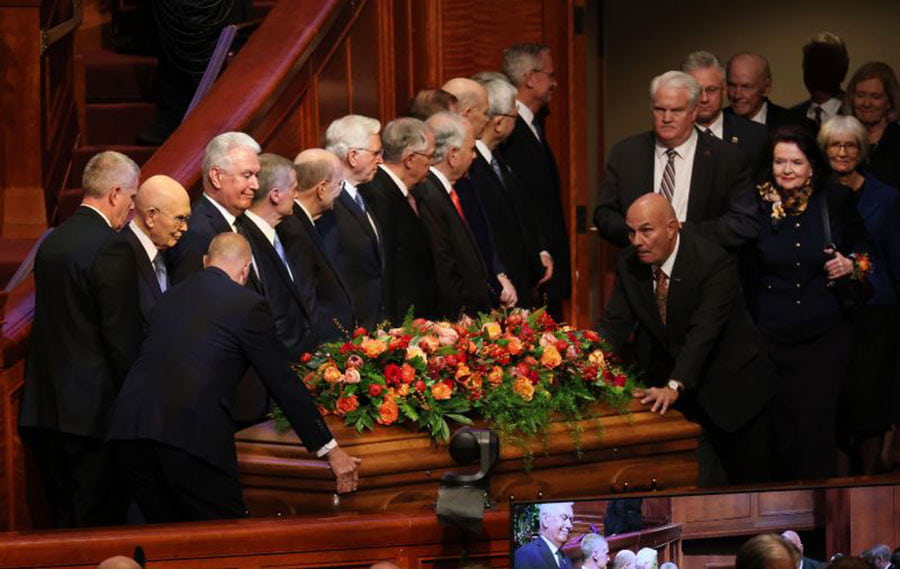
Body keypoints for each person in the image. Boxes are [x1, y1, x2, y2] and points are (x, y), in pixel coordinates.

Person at [108, 233, 360, 522]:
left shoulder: (168, 299)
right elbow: (282, 382)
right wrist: (330, 449)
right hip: (190, 439)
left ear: (206, 262)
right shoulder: (247, 305)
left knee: (167, 536)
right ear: (245, 269)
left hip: (128, 431)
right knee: (228, 534)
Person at [598, 194, 776, 485]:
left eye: (646, 231)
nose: (637, 241)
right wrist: (584, 360)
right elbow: (614, 324)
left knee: (748, 490)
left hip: (734, 393)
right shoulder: (629, 263)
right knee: (694, 485)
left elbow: (704, 333)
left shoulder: (713, 261)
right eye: (631, 232)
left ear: (671, 228)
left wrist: (674, 385)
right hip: (682, 401)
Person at [19, 150, 142, 528]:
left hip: (45, 409)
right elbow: (120, 338)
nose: (133, 207)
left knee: (62, 523)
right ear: (115, 193)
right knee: (95, 526)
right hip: (91, 417)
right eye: (132, 197)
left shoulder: (53, 241)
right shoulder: (111, 246)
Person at [747, 126, 869, 480]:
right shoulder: (755, 203)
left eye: (796, 162)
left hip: (824, 338)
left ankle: (817, 509)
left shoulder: (835, 199)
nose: (786, 170)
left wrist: (850, 264)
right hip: (771, 340)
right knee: (779, 435)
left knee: (817, 433)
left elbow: (866, 253)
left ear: (812, 165)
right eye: (779, 162)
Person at [595, 70, 759, 251]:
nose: (666, 118)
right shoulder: (626, 153)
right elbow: (604, 214)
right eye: (660, 110)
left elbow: (744, 222)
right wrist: (640, 235)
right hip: (638, 263)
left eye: (676, 110)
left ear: (694, 112)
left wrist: (680, 234)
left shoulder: (727, 158)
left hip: (703, 262)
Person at [818, 115, 900, 475]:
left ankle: (869, 487)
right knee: (837, 406)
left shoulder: (887, 197)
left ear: (862, 150)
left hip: (875, 314)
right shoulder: (814, 194)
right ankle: (840, 492)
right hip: (831, 313)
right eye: (835, 145)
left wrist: (856, 269)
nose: (842, 152)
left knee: (869, 407)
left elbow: (893, 259)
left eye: (850, 145)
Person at [499, 42, 570, 320]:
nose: (554, 83)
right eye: (550, 75)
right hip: (532, 268)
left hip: (546, 264)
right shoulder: (509, 131)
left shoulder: (533, 124)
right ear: (530, 78)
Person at [470, 72, 549, 307]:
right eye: (514, 117)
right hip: (498, 288)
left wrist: (539, 252)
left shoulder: (500, 159)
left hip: (519, 280)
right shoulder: (471, 167)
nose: (516, 125)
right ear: (498, 123)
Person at [414, 112, 497, 318]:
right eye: (471, 149)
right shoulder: (428, 194)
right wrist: (461, 313)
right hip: (456, 316)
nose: (474, 156)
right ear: (453, 155)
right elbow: (443, 261)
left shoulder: (441, 190)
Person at [358, 117, 440, 323]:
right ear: (410, 159)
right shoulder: (379, 194)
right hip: (402, 322)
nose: (432, 163)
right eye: (430, 156)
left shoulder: (400, 192)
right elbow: (388, 267)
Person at [237, 153, 316, 359]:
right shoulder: (245, 238)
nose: (296, 196)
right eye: (294, 188)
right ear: (275, 195)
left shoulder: (282, 233)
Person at [277, 149, 355, 342]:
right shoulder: (293, 228)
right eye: (339, 184)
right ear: (321, 188)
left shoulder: (305, 221)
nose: (340, 192)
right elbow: (305, 296)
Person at [318, 115, 386, 330]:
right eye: (376, 153)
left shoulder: (361, 194)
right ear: (353, 156)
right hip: (349, 328)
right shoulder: (329, 202)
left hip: (372, 325)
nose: (380, 160)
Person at [165, 131, 261, 284]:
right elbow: (192, 293)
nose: (256, 185)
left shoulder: (244, 222)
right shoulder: (194, 231)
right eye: (247, 175)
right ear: (216, 177)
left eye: (257, 176)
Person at [681, 50, 767, 179]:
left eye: (711, 90)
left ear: (724, 89)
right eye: (696, 91)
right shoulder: (673, 136)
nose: (704, 99)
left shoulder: (755, 136)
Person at [122, 174, 191, 327]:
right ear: (151, 217)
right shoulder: (120, 256)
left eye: (186, 219)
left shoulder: (165, 251)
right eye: (179, 219)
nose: (184, 228)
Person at [725, 53, 816, 133]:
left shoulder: (796, 126)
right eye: (732, 85)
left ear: (766, 87)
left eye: (746, 87)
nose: (737, 95)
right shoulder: (718, 121)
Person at [843, 62, 900, 189]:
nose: (866, 104)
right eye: (860, 95)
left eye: (875, 97)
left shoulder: (897, 140)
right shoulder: (841, 138)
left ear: (889, 102)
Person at [790, 32, 849, 129]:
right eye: (810, 65)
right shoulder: (791, 118)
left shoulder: (858, 113)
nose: (815, 72)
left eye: (824, 65)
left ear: (842, 70)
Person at [514, 502, 574, 569]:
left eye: (571, 520)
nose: (569, 525)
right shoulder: (526, 554)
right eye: (564, 517)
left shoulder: (566, 559)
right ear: (545, 519)